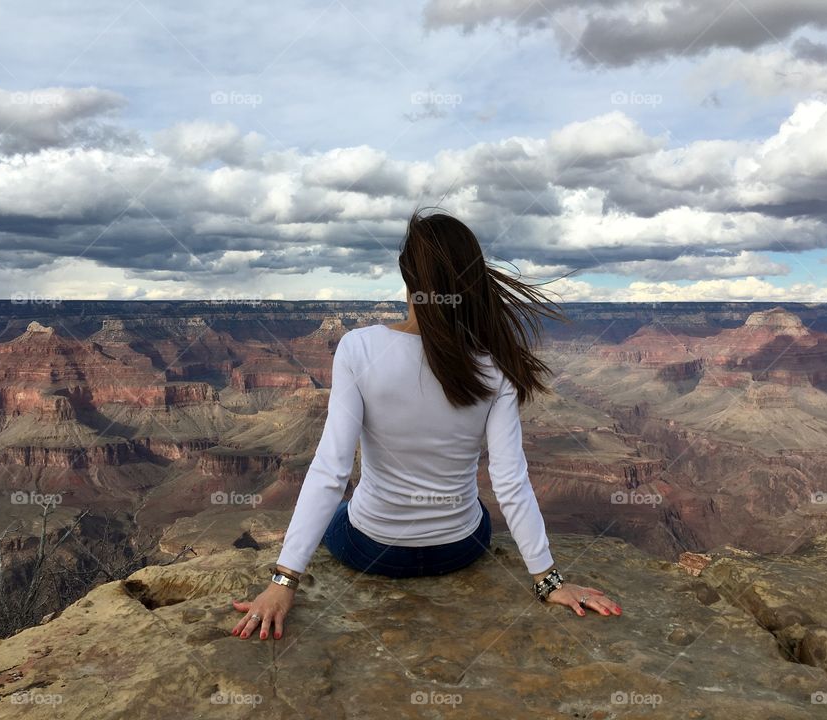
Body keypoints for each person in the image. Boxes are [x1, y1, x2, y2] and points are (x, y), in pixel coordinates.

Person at [232, 209, 622, 641]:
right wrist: (550, 581)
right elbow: (510, 482)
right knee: (476, 512)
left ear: (407, 277)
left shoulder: (359, 349)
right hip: (460, 548)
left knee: (340, 515)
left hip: (373, 551)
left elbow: (331, 469)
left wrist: (283, 582)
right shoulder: (495, 366)